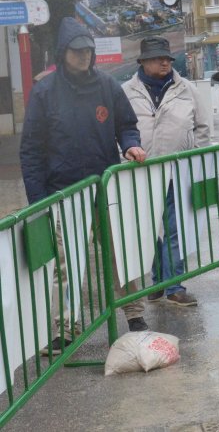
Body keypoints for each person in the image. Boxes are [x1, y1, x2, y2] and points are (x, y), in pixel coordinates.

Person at [20, 17, 149, 354]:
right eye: (78, 52)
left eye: (89, 51)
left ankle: (134, 313)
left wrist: (131, 143)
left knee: (120, 252)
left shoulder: (108, 86)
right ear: (64, 53)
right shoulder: (45, 92)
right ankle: (66, 329)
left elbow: (126, 124)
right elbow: (31, 149)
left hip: (103, 187)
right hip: (64, 193)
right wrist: (39, 201)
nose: (84, 57)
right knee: (68, 263)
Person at [123, 36, 211, 306]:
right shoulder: (126, 91)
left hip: (177, 168)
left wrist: (194, 158)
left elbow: (203, 127)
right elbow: (119, 130)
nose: (165, 62)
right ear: (143, 62)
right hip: (140, 172)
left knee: (175, 228)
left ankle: (175, 285)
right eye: (158, 58)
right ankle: (157, 279)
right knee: (148, 228)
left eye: (168, 58)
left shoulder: (186, 89)